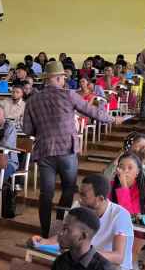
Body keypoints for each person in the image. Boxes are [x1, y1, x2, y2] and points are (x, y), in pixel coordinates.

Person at [23, 62, 123, 237]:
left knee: (46, 193)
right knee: (68, 187)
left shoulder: (32, 100)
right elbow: (91, 111)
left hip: (45, 150)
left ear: (46, 79)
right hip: (66, 149)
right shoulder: (68, 95)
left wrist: (44, 130)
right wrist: (113, 120)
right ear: (60, 78)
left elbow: (27, 130)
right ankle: (61, 224)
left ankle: (45, 232)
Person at [107, 152, 145, 216]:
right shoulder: (110, 185)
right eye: (121, 167)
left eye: (130, 168)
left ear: (138, 171)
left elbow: (129, 215)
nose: (125, 170)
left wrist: (123, 185)